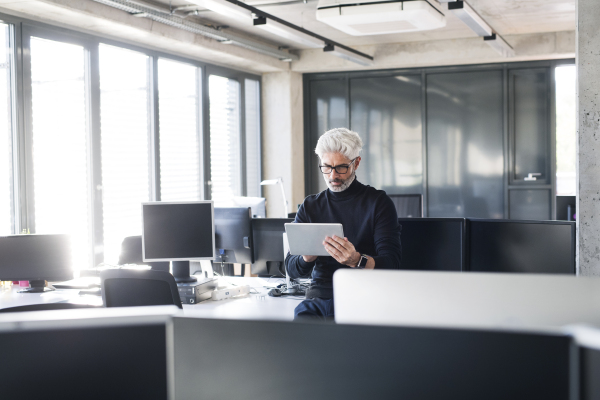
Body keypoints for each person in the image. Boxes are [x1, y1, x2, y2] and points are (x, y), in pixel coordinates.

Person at [285, 127, 402, 320]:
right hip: (319, 298)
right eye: (326, 167)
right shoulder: (310, 205)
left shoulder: (378, 203)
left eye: (341, 167)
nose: (332, 176)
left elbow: (392, 263)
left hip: (362, 297)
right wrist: (307, 257)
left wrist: (357, 260)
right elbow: (291, 268)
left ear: (356, 163)